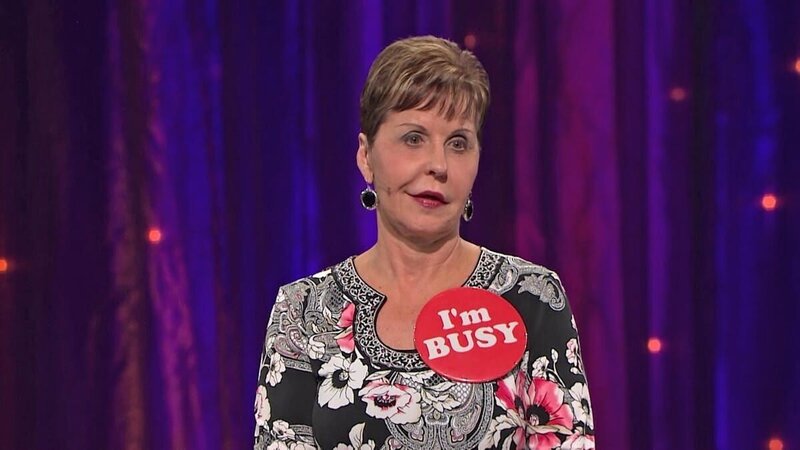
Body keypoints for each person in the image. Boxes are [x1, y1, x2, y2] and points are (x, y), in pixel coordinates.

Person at [253, 35, 594, 449]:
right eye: (414, 138)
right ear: (366, 156)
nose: (438, 165)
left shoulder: (531, 297)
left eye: (458, 143)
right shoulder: (303, 310)